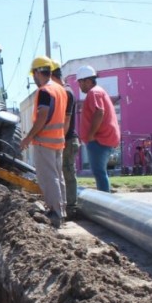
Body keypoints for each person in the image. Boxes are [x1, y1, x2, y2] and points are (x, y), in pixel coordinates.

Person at [21, 56, 67, 228]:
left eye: (33, 74)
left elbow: (42, 117)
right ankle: (62, 211)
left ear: (38, 72)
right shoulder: (60, 89)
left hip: (44, 141)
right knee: (58, 176)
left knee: (49, 177)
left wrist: (28, 137)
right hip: (58, 140)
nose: (33, 78)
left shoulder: (45, 91)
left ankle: (55, 213)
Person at [76, 65, 120, 193]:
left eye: (80, 82)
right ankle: (106, 197)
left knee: (99, 173)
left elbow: (99, 112)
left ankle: (105, 200)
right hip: (105, 139)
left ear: (88, 81)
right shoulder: (99, 91)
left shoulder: (94, 92)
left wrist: (90, 135)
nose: (79, 86)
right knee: (101, 172)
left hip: (99, 140)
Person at [50, 60, 80, 217]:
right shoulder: (62, 92)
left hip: (67, 140)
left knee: (68, 173)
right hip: (64, 139)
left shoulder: (66, 93)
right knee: (62, 173)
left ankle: (71, 207)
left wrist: (59, 140)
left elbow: (66, 120)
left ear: (52, 76)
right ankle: (65, 206)